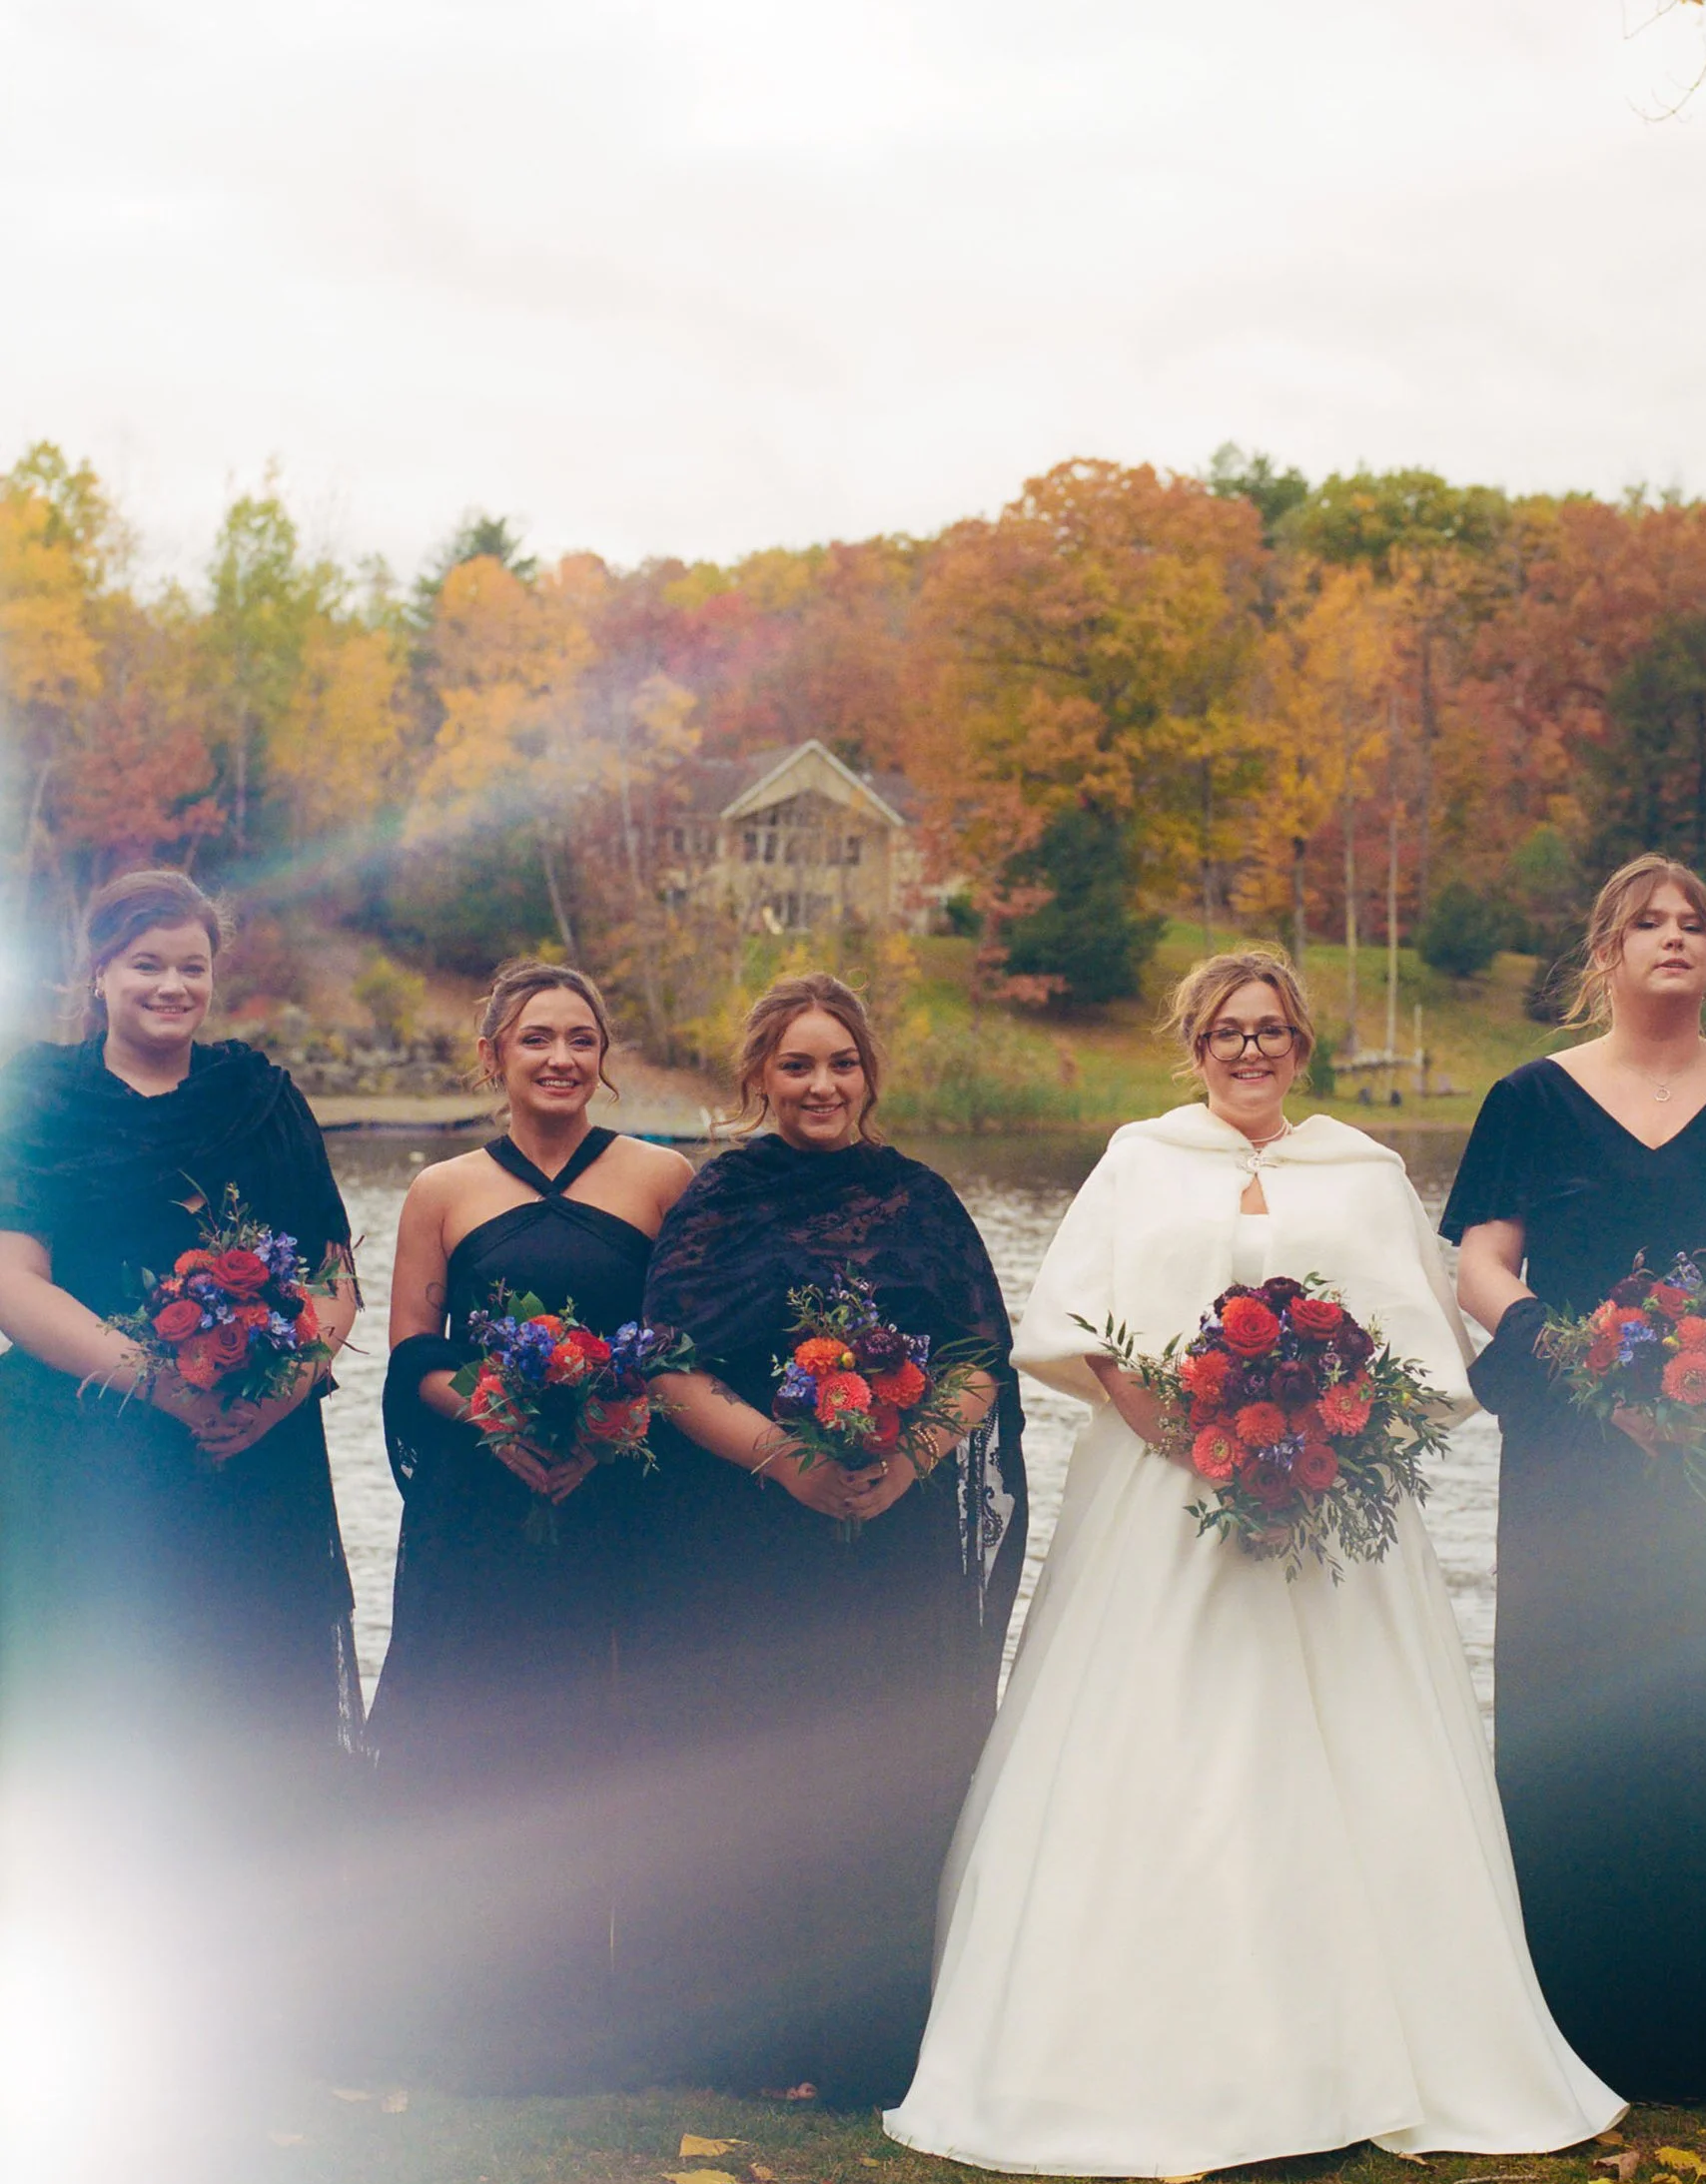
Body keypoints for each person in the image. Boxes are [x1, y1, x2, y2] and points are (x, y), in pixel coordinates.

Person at [886, 949, 1619, 2177]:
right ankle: (1144, 2057)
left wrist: (1321, 1442)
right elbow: (1082, 1328)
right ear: (1194, 1042)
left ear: (1303, 1045)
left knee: (1348, 1758)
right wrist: (1189, 1436)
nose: (1250, 1050)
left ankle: (1375, 2054)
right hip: (1161, 1498)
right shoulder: (1138, 1160)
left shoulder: (1363, 1172)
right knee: (1158, 1749)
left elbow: (1415, 1347)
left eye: (1272, 1030)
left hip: (1325, 1521)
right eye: (1227, 1030)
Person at [1444, 855, 1706, 2102]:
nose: (1671, 938)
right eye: (1645, 922)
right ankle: (1575, 1997)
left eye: (1691, 924)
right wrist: (1581, 1366)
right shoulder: (1529, 1097)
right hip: (1578, 1456)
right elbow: (1480, 1264)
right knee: (1586, 1702)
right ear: (1606, 953)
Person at [632, 975, 1025, 2101]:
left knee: (878, 1773)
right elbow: (667, 1361)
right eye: (797, 1065)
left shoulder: (920, 1199)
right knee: (758, 1772)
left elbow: (979, 1360)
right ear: (759, 1076)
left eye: (841, 1063)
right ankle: (752, 2045)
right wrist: (785, 1458)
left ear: (869, 1074)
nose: (821, 1084)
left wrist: (901, 1463)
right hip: (747, 1535)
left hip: (890, 1535)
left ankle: (874, 2044)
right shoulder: (720, 1199)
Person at [0, 869, 361, 2063]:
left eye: (191, 965)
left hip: (246, 1454)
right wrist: (159, 1380)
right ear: (97, 971)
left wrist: (271, 1393)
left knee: (243, 1691)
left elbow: (332, 1277)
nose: (172, 985)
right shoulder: (39, 1094)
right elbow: (12, 1282)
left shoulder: (261, 1096)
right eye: (146, 962)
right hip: (87, 1448)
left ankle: (252, 1992)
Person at [362, 961, 691, 2092]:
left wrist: (603, 1428)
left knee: (608, 1731)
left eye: (581, 1038)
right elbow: (412, 1348)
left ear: (605, 1055)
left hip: (620, 1503)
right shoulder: (443, 1189)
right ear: (495, 1054)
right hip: (479, 1508)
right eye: (537, 1038)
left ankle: (606, 1997)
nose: (561, 1057)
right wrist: (498, 1417)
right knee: (479, 1728)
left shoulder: (662, 1180)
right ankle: (468, 1991)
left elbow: (688, 1348)